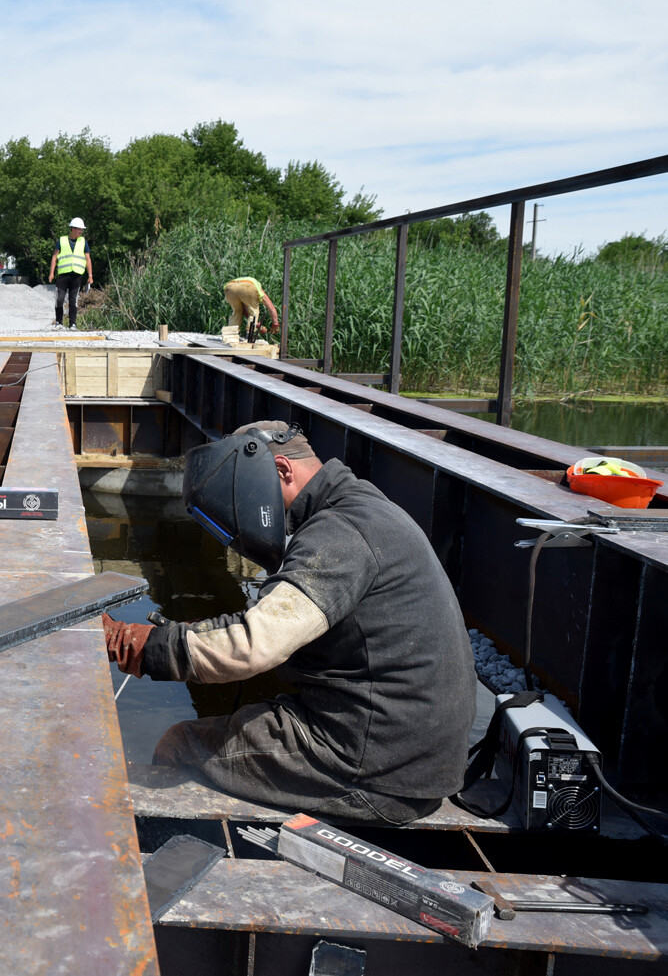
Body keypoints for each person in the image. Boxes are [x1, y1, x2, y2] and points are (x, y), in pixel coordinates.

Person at [102, 422, 475, 825]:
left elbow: (252, 645)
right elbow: (283, 623)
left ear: (282, 470)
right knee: (246, 712)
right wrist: (194, 633)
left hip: (374, 769)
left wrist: (134, 644)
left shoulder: (340, 532)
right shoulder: (363, 508)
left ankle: (178, 855)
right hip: (411, 757)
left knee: (183, 745)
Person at [47, 217, 93, 330]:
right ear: (73, 228)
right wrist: (51, 273)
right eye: (79, 229)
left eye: (82, 230)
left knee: (73, 300)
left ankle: (73, 324)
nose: (81, 232)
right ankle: (59, 322)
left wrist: (90, 275)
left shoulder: (83, 242)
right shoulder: (62, 241)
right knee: (59, 299)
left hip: (76, 275)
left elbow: (88, 259)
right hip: (63, 275)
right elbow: (54, 257)